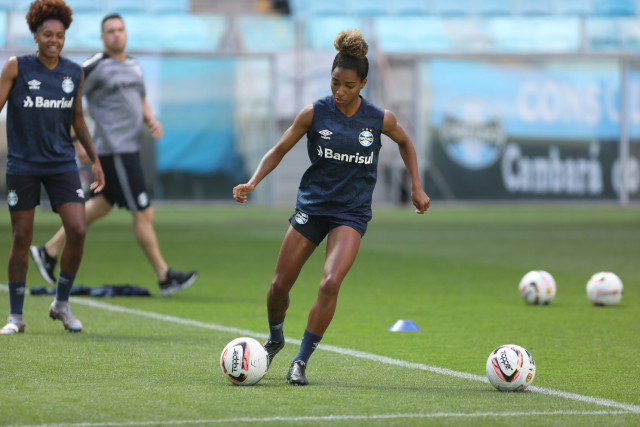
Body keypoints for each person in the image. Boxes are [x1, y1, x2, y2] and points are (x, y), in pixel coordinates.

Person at [232, 29, 430, 385]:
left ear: (364, 84)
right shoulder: (314, 113)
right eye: (335, 83)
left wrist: (416, 186)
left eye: (348, 86)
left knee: (329, 283)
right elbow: (278, 150)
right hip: (312, 206)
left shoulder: (379, 119)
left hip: (350, 215)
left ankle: (301, 362)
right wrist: (253, 181)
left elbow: (406, 143)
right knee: (279, 287)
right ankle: (275, 338)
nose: (340, 91)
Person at [30, 13, 197, 297]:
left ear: (126, 33)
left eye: (120, 30)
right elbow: (68, 94)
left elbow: (140, 99)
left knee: (102, 205)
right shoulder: (94, 66)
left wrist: (150, 119)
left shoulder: (134, 66)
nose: (116, 35)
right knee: (144, 211)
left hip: (130, 148)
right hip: (115, 151)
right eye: (110, 31)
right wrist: (75, 138)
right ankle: (164, 276)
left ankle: (48, 251)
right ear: (102, 37)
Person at [0, 0, 105, 334]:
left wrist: (96, 159)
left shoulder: (74, 72)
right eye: (47, 34)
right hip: (23, 165)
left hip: (61, 163)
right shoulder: (16, 67)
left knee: (77, 229)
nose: (54, 41)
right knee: (21, 236)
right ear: (35, 35)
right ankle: (15, 316)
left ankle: (61, 303)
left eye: (59, 35)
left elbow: (78, 120)